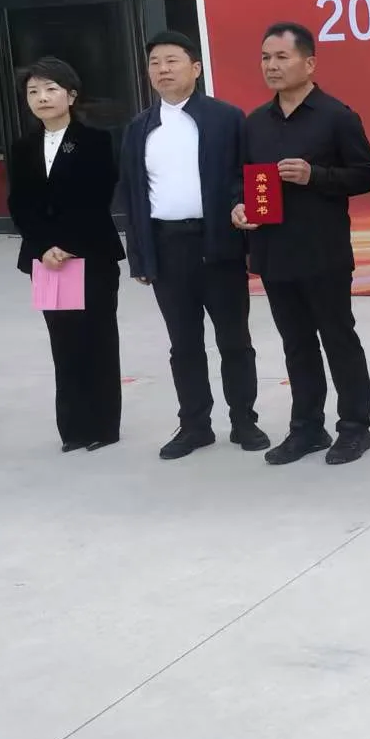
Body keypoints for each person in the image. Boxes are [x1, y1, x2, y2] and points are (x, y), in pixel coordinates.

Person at [234, 22, 370, 467]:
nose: (272, 66)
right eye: (266, 58)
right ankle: (307, 428)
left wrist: (315, 175)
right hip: (273, 251)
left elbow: (367, 174)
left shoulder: (337, 117)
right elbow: (240, 178)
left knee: (338, 338)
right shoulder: (255, 122)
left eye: (282, 57)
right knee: (295, 343)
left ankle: (354, 427)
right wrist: (238, 206)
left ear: (309, 63)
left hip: (323, 251)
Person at [119, 30, 268, 460]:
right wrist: (140, 256)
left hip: (218, 243)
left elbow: (247, 173)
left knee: (234, 339)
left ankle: (244, 420)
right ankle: (195, 425)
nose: (162, 70)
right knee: (183, 344)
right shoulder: (139, 128)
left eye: (172, 61)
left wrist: (242, 204)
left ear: (196, 68)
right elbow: (133, 195)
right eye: (155, 63)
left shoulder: (226, 118)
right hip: (167, 247)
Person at [7, 58, 125, 452]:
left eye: (51, 89)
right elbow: (20, 204)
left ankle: (103, 426)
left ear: (71, 96)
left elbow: (97, 197)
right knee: (63, 342)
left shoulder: (96, 141)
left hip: (90, 255)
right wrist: (44, 247)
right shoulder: (22, 148)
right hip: (46, 261)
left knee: (98, 339)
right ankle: (73, 428)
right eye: (33, 91)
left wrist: (67, 245)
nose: (42, 97)